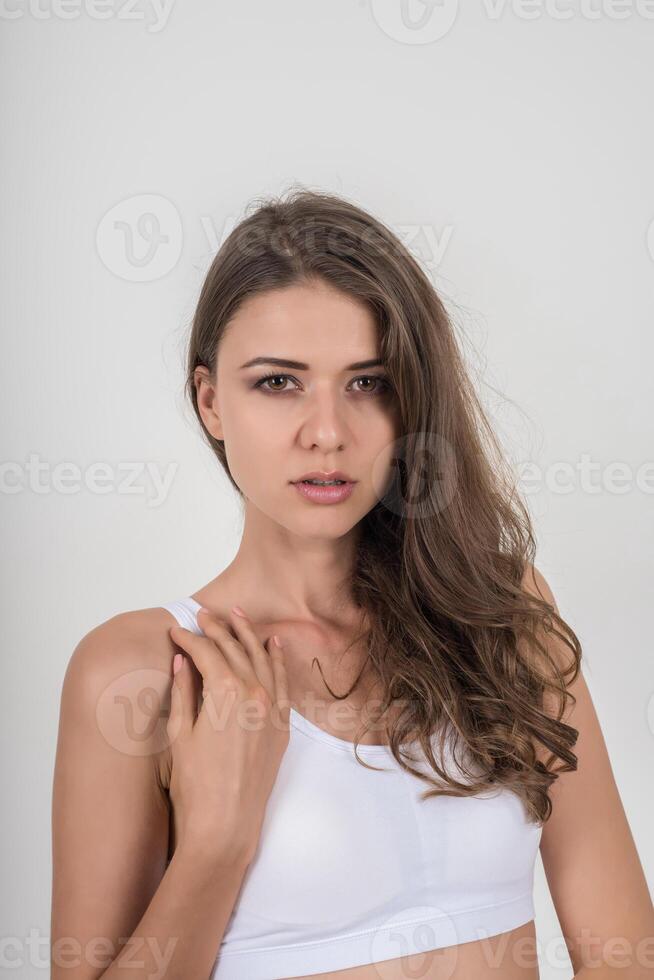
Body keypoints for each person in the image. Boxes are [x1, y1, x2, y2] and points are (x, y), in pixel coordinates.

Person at [51, 188, 654, 979]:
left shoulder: (502, 613)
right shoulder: (144, 669)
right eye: (278, 382)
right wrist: (217, 844)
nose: (327, 432)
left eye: (368, 382)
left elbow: (625, 953)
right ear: (210, 401)